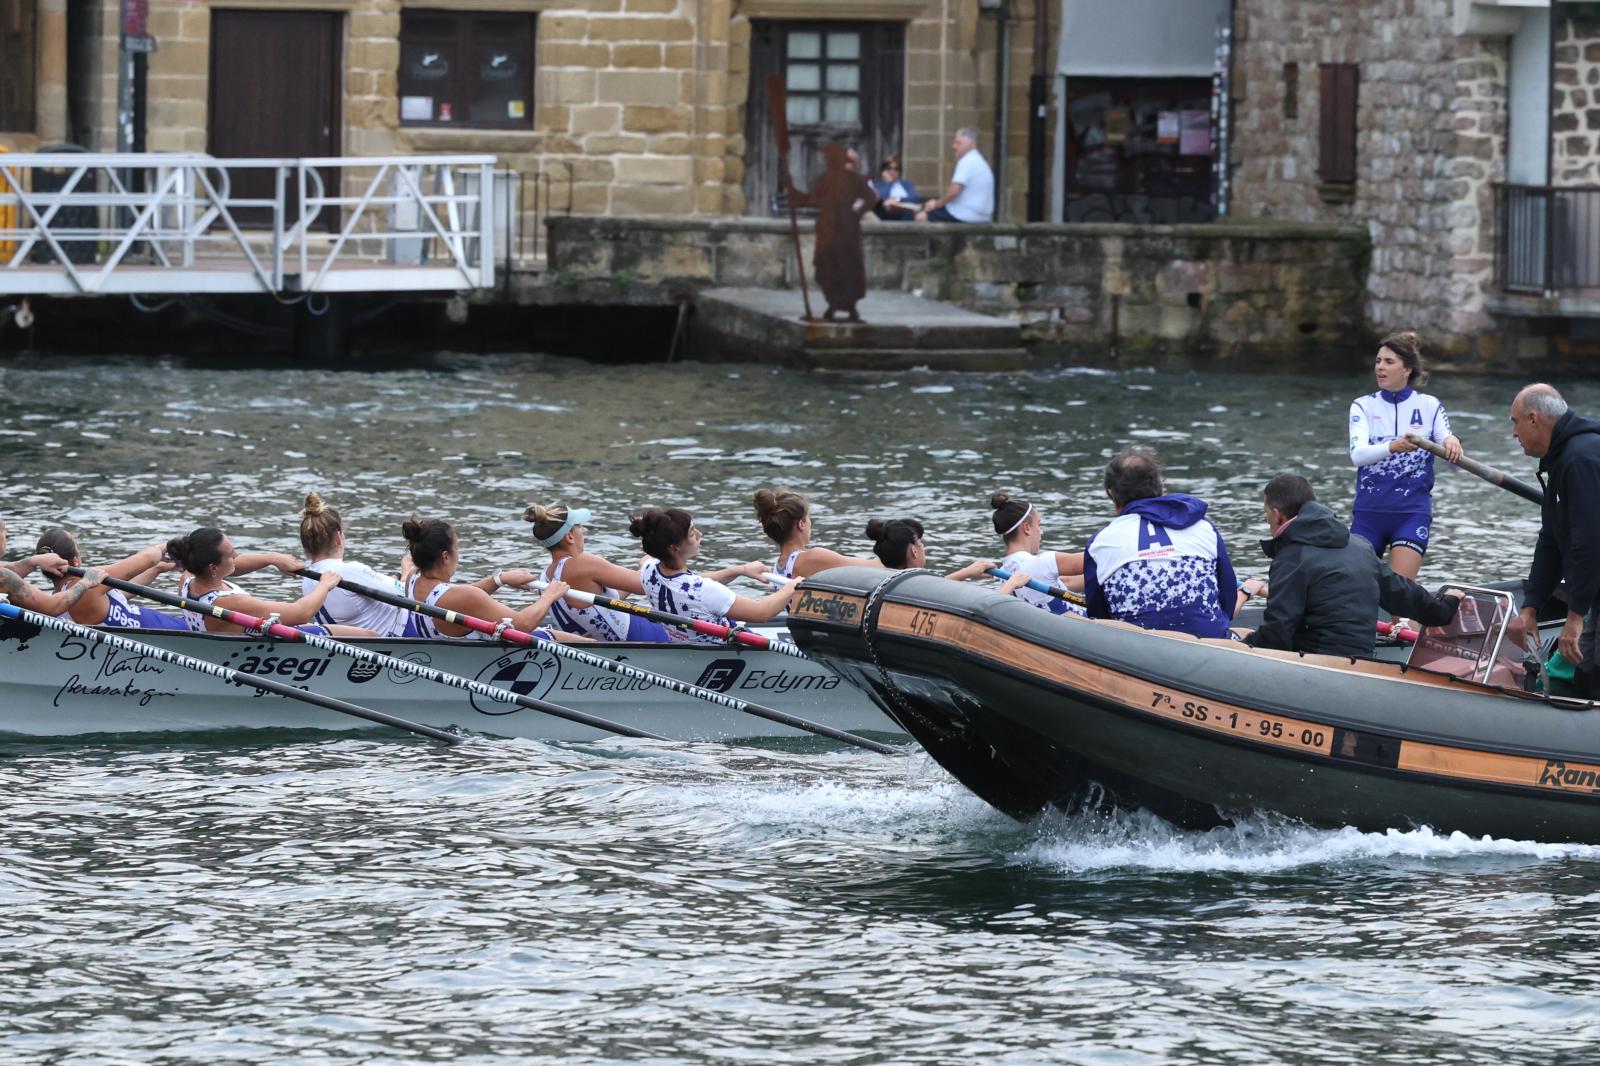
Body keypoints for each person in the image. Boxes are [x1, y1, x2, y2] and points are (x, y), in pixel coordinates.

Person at [1245, 474, 1460, 657]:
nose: (1268, 522)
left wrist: (1243, 643)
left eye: (1266, 515)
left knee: (1241, 636)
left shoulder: (1291, 557)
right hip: (1361, 659)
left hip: (1316, 660)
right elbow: (1404, 594)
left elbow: (1278, 633)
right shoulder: (1361, 546)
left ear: (1277, 514)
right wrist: (1446, 606)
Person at [1082, 450, 1238, 638]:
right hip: (1209, 641)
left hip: (1135, 647)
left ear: (1111, 493)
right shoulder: (1203, 526)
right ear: (1160, 484)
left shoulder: (1099, 542)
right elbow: (1228, 598)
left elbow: (1098, 615)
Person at [1506, 384, 1600, 695]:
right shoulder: (1561, 460)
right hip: (1593, 593)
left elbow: (1590, 542)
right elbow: (1551, 540)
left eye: (1515, 422)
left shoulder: (1581, 458)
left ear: (1533, 419)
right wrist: (1531, 607)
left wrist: (1575, 617)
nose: (1514, 433)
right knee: (1585, 672)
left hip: (1591, 588)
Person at [1348, 331, 1463, 580]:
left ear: (1407, 370)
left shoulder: (1430, 405)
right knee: (1357, 591)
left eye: (1389, 362)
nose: (1380, 367)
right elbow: (1358, 455)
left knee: (1399, 594)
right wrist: (1392, 446)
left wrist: (1452, 441)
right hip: (1368, 515)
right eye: (1378, 361)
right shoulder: (1362, 406)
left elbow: (1446, 441)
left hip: (1411, 515)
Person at [630, 508, 801, 644]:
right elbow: (761, 613)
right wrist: (795, 585)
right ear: (674, 548)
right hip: (732, 650)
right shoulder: (704, 591)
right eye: (692, 533)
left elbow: (687, 581)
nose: (700, 534)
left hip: (688, 648)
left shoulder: (649, 569)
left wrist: (741, 570)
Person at [166, 527, 368, 636]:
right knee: (368, 635)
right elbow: (301, 612)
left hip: (234, 638)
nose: (236, 555)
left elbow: (236, 566)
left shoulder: (188, 579)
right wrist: (325, 584)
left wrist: (272, 558)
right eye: (230, 554)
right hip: (263, 648)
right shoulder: (230, 603)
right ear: (213, 568)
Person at [523, 501, 671, 643]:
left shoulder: (545, 578)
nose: (583, 530)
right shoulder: (581, 563)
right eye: (579, 526)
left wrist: (636, 574)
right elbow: (644, 585)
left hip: (603, 644)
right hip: (637, 636)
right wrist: (647, 563)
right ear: (570, 537)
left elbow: (605, 602)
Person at [297, 492, 434, 637]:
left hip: (361, 640)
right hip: (404, 631)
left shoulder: (307, 580)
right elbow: (407, 593)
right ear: (338, 537)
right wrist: (407, 572)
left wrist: (398, 576)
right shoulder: (350, 571)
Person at [948, 492, 1084, 615]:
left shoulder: (1004, 572)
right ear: (1027, 528)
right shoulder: (1042, 562)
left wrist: (965, 572)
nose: (1041, 532)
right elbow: (1094, 559)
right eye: (1039, 525)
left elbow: (1064, 582)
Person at [787, 142, 879, 322]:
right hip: (828, 231)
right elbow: (813, 199)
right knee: (827, 268)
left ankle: (850, 307)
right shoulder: (824, 179)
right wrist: (795, 195)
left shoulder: (855, 179)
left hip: (848, 231)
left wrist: (859, 208)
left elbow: (870, 197)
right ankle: (833, 304)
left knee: (849, 269)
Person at [35, 529, 186, 629]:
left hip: (148, 625)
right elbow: (148, 558)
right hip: (159, 627)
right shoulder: (87, 584)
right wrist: (166, 547)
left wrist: (157, 569)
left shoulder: (57, 600)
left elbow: (120, 594)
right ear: (75, 561)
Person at [753, 488, 881, 580]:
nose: (810, 523)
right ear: (801, 524)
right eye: (808, 518)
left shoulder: (778, 567)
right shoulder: (813, 558)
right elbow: (873, 567)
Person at [0, 516, 105, 617]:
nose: (7, 534)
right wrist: (85, 582)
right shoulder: (4, 577)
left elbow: (6, 572)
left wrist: (34, 561)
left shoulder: (4, 575)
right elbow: (51, 607)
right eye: (3, 528)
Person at [913, 128, 994, 223]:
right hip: (983, 217)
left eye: (958, 143)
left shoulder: (967, 161)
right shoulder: (980, 161)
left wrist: (935, 204)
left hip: (964, 215)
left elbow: (954, 192)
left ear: (971, 145)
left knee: (921, 217)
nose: (954, 146)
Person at [871, 155, 919, 222]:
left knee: (908, 213)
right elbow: (881, 197)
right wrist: (889, 183)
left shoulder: (906, 184)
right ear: (883, 171)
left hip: (905, 211)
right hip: (886, 212)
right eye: (889, 168)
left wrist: (897, 200)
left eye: (896, 169)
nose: (892, 171)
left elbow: (914, 197)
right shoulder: (878, 185)